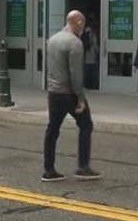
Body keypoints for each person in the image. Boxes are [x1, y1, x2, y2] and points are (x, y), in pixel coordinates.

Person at [42, 10, 101, 182]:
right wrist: (80, 98)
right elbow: (76, 75)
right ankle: (83, 167)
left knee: (52, 130)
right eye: (81, 22)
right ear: (79, 22)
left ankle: (49, 169)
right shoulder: (75, 43)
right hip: (69, 94)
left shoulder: (52, 40)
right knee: (86, 125)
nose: (82, 26)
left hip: (53, 93)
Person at [82, 15, 99, 90]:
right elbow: (91, 43)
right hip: (89, 54)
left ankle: (91, 85)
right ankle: (89, 85)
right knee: (89, 70)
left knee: (91, 70)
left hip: (91, 53)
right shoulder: (88, 32)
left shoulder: (92, 32)